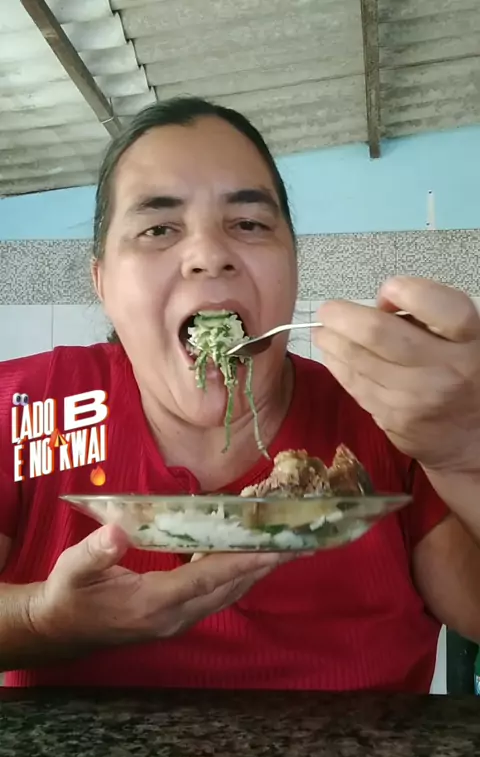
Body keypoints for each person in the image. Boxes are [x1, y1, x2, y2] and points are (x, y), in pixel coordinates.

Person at [1, 97, 479, 692]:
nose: (209, 256)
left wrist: (466, 452)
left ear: (293, 265)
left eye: (249, 224)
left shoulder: (394, 419)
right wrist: (40, 621)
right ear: (102, 283)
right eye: (158, 229)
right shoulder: (27, 407)